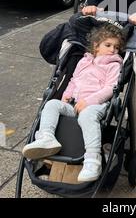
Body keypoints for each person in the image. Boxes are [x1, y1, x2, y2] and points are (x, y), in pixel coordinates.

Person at [22, 24, 125, 182]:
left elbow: (110, 88)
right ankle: (46, 137)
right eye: (108, 45)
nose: (113, 50)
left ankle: (92, 160)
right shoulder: (83, 61)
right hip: (75, 104)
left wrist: (89, 101)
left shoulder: (114, 65)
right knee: (52, 105)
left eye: (116, 47)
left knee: (86, 116)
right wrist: (67, 95)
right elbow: (73, 80)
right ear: (96, 46)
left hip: (96, 106)